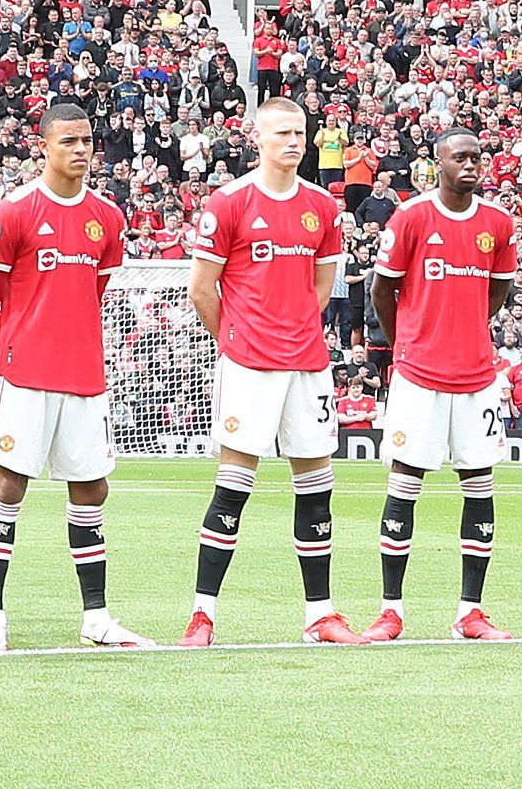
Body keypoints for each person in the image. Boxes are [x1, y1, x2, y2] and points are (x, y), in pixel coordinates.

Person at [0, 100, 151, 652]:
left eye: (86, 141)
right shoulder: (15, 212)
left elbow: (94, 294)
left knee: (91, 488)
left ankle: (96, 617)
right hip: (25, 376)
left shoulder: (107, 217)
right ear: (42, 145)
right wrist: (6, 365)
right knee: (8, 485)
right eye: (68, 141)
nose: (80, 150)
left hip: (85, 378)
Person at [182, 96, 362, 646]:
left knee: (316, 488)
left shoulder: (322, 207)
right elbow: (201, 288)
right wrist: (236, 340)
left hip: (307, 365)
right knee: (234, 486)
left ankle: (321, 615)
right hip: (249, 366)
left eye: (300, 132)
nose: (293, 141)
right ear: (256, 137)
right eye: (282, 132)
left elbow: (322, 286)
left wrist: (294, 329)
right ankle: (202, 614)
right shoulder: (230, 202)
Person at [361, 130, 518, 642]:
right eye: (460, 157)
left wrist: (467, 326)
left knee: (479, 487)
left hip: (475, 375)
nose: (470, 165)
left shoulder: (497, 223)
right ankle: (391, 611)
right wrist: (409, 338)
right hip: (419, 375)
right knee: (405, 485)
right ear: (439, 163)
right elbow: (382, 288)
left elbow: (500, 289)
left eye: (477, 157)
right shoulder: (410, 217)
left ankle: (470, 612)